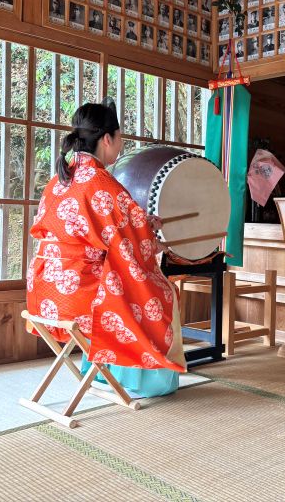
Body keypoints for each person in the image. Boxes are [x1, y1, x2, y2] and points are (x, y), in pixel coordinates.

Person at [27, 102, 186, 397]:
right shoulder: (102, 183)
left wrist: (140, 224)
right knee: (160, 291)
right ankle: (144, 380)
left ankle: (99, 371)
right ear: (107, 139)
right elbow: (129, 243)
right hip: (79, 294)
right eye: (120, 138)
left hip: (44, 291)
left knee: (125, 277)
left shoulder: (59, 180)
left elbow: (103, 230)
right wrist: (150, 234)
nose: (121, 145)